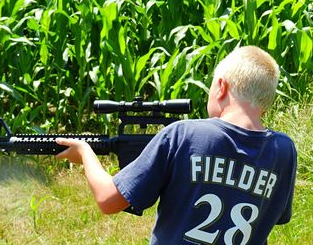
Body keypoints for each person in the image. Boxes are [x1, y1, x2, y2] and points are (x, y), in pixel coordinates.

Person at [55, 46, 297, 245]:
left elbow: (108, 200)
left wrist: (85, 153)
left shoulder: (184, 135)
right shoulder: (284, 151)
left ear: (221, 87)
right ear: (266, 101)